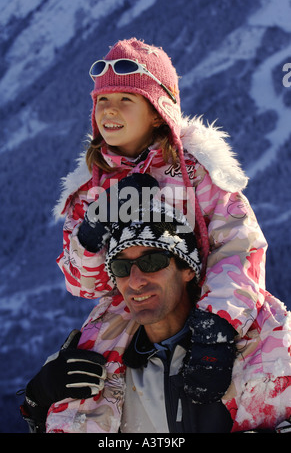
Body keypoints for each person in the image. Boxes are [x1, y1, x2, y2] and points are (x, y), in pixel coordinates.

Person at [50, 38, 291, 432]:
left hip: (215, 304)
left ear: (158, 110)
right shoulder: (92, 186)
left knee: (265, 368)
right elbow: (84, 284)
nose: (109, 109)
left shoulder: (195, 169)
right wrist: (93, 231)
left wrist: (217, 327)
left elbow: (237, 247)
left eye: (125, 100)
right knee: (86, 391)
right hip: (137, 310)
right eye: (101, 100)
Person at [21, 198, 291, 433]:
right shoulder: (103, 364)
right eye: (122, 267)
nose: (136, 280)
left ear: (188, 270)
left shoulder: (261, 347)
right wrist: (37, 404)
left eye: (152, 261)